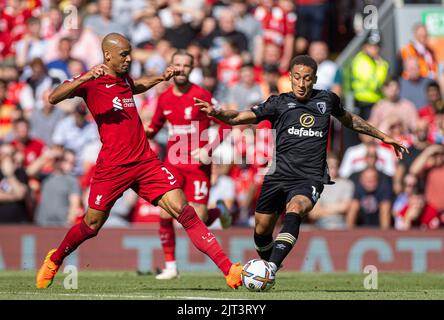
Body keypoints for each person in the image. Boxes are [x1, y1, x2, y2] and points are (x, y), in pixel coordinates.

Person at [36, 33, 243, 290]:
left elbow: (135, 87)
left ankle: (229, 269)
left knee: (184, 211)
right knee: (91, 225)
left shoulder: (123, 79)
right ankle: (55, 259)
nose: (129, 58)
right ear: (108, 55)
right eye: (124, 54)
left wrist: (160, 77)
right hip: (113, 166)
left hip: (145, 162)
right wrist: (87, 76)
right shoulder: (92, 81)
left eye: (130, 53)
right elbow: (53, 97)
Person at [195, 55, 407, 276]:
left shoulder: (327, 101)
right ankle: (269, 264)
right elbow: (239, 116)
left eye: (307, 78)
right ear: (290, 78)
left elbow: (350, 120)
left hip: (309, 177)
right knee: (261, 231)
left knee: (295, 209)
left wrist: (383, 137)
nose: (302, 83)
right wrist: (218, 113)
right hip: (278, 175)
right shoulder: (278, 102)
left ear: (314, 79)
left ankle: (270, 269)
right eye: (297, 78)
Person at [146, 49, 232, 280]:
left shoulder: (201, 94)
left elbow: (226, 124)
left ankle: (220, 211)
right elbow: (154, 128)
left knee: (200, 218)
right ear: (170, 66)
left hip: (197, 166)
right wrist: (140, 131)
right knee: (165, 213)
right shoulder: (163, 98)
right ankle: (171, 267)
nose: (181, 69)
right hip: (172, 163)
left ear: (192, 69)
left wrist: (207, 149)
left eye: (186, 65)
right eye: (177, 64)